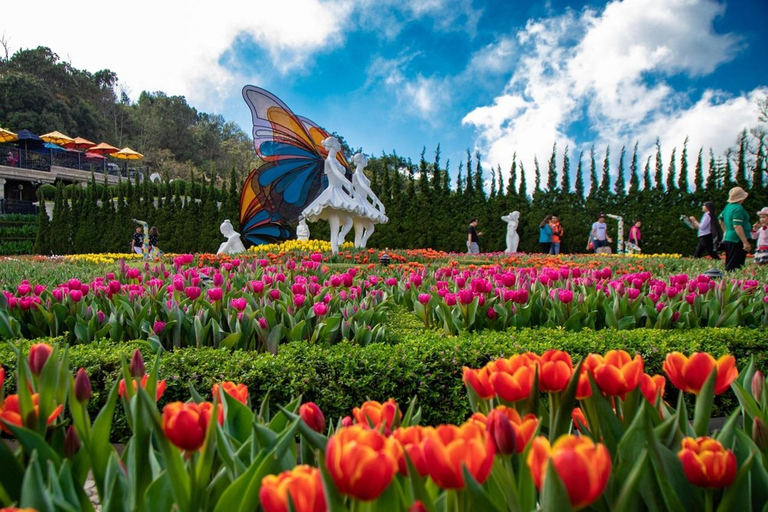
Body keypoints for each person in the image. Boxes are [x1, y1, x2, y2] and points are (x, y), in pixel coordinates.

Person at [301, 137, 358, 254]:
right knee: (335, 225)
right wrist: (348, 183)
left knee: (349, 222)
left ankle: (341, 236)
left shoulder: (336, 161)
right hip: (332, 193)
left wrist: (348, 185)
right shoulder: (329, 160)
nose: (339, 144)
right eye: (337, 143)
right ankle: (334, 252)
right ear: (332, 145)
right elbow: (337, 174)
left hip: (340, 192)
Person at [718, 186, 752, 271]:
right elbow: (737, 226)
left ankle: (728, 280)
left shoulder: (728, 206)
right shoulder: (738, 208)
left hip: (729, 238)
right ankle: (733, 281)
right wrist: (745, 242)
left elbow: (720, 220)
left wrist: (725, 231)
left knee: (730, 261)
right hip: (737, 240)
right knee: (735, 265)